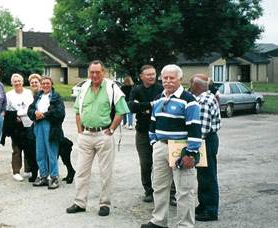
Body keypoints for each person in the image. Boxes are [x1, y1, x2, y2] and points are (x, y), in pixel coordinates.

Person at [141, 64, 202, 228]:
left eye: (172, 78)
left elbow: (195, 128)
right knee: (159, 186)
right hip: (160, 147)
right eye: (165, 78)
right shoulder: (159, 98)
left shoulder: (189, 100)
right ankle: (159, 221)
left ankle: (185, 225)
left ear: (180, 79)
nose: (167, 81)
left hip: (181, 148)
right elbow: (153, 123)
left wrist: (191, 153)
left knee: (184, 190)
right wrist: (154, 142)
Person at [66, 60, 129, 217]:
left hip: (103, 135)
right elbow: (78, 111)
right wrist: (80, 130)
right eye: (91, 72)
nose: (94, 75)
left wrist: (112, 129)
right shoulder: (84, 88)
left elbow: (121, 111)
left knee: (105, 172)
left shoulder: (112, 88)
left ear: (104, 72)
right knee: (81, 171)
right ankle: (80, 202)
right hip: (86, 135)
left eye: (97, 72)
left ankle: (104, 204)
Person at [127, 65, 164, 203]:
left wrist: (142, 106)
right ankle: (149, 191)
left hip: (159, 131)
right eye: (148, 75)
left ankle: (169, 192)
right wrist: (151, 105)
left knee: (163, 163)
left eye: (153, 74)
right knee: (145, 162)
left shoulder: (161, 88)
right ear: (141, 76)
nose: (152, 77)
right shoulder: (136, 89)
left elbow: (162, 104)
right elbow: (131, 106)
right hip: (142, 131)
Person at [190, 74, 221, 222]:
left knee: (207, 176)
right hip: (210, 139)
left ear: (197, 86)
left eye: (191, 85)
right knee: (204, 175)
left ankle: (210, 210)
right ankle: (204, 205)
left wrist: (191, 147)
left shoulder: (203, 101)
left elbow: (201, 129)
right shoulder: (210, 97)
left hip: (205, 141)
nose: (189, 87)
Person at [27, 76, 65, 189]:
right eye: (43, 83)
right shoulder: (38, 96)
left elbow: (60, 112)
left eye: (47, 83)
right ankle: (43, 176)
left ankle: (54, 177)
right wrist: (35, 113)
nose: (45, 85)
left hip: (51, 126)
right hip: (38, 125)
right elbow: (30, 109)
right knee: (40, 151)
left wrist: (44, 114)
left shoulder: (56, 96)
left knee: (51, 152)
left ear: (51, 84)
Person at [2, 74, 34, 182]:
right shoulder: (9, 94)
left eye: (19, 81)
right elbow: (7, 109)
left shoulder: (28, 93)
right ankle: (16, 171)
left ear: (22, 81)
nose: (17, 83)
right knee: (17, 148)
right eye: (15, 81)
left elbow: (32, 106)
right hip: (16, 122)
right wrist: (15, 117)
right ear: (12, 83)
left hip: (28, 121)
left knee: (29, 146)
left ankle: (28, 169)